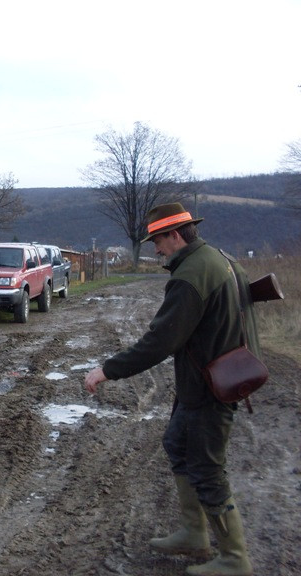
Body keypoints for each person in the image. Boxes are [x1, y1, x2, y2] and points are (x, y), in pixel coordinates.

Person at [84, 203, 258, 576]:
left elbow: (159, 341)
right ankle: (195, 533)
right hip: (208, 381)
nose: (156, 250)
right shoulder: (221, 259)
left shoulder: (190, 275)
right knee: (177, 443)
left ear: (175, 236)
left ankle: (235, 558)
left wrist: (107, 371)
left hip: (212, 387)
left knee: (208, 470)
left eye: (158, 242)